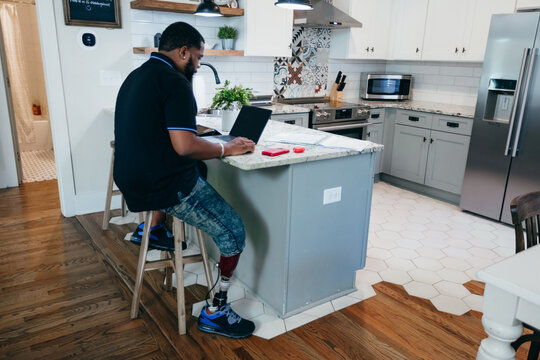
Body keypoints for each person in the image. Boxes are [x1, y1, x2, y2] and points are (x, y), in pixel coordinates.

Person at [113, 21, 256, 339]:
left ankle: (153, 227)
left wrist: (197, 130)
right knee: (234, 232)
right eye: (198, 58)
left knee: (200, 171)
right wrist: (226, 147)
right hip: (162, 185)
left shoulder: (138, 76)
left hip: (132, 180)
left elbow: (165, 128)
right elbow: (184, 146)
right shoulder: (176, 83)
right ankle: (216, 312)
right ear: (183, 52)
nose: (199, 64)